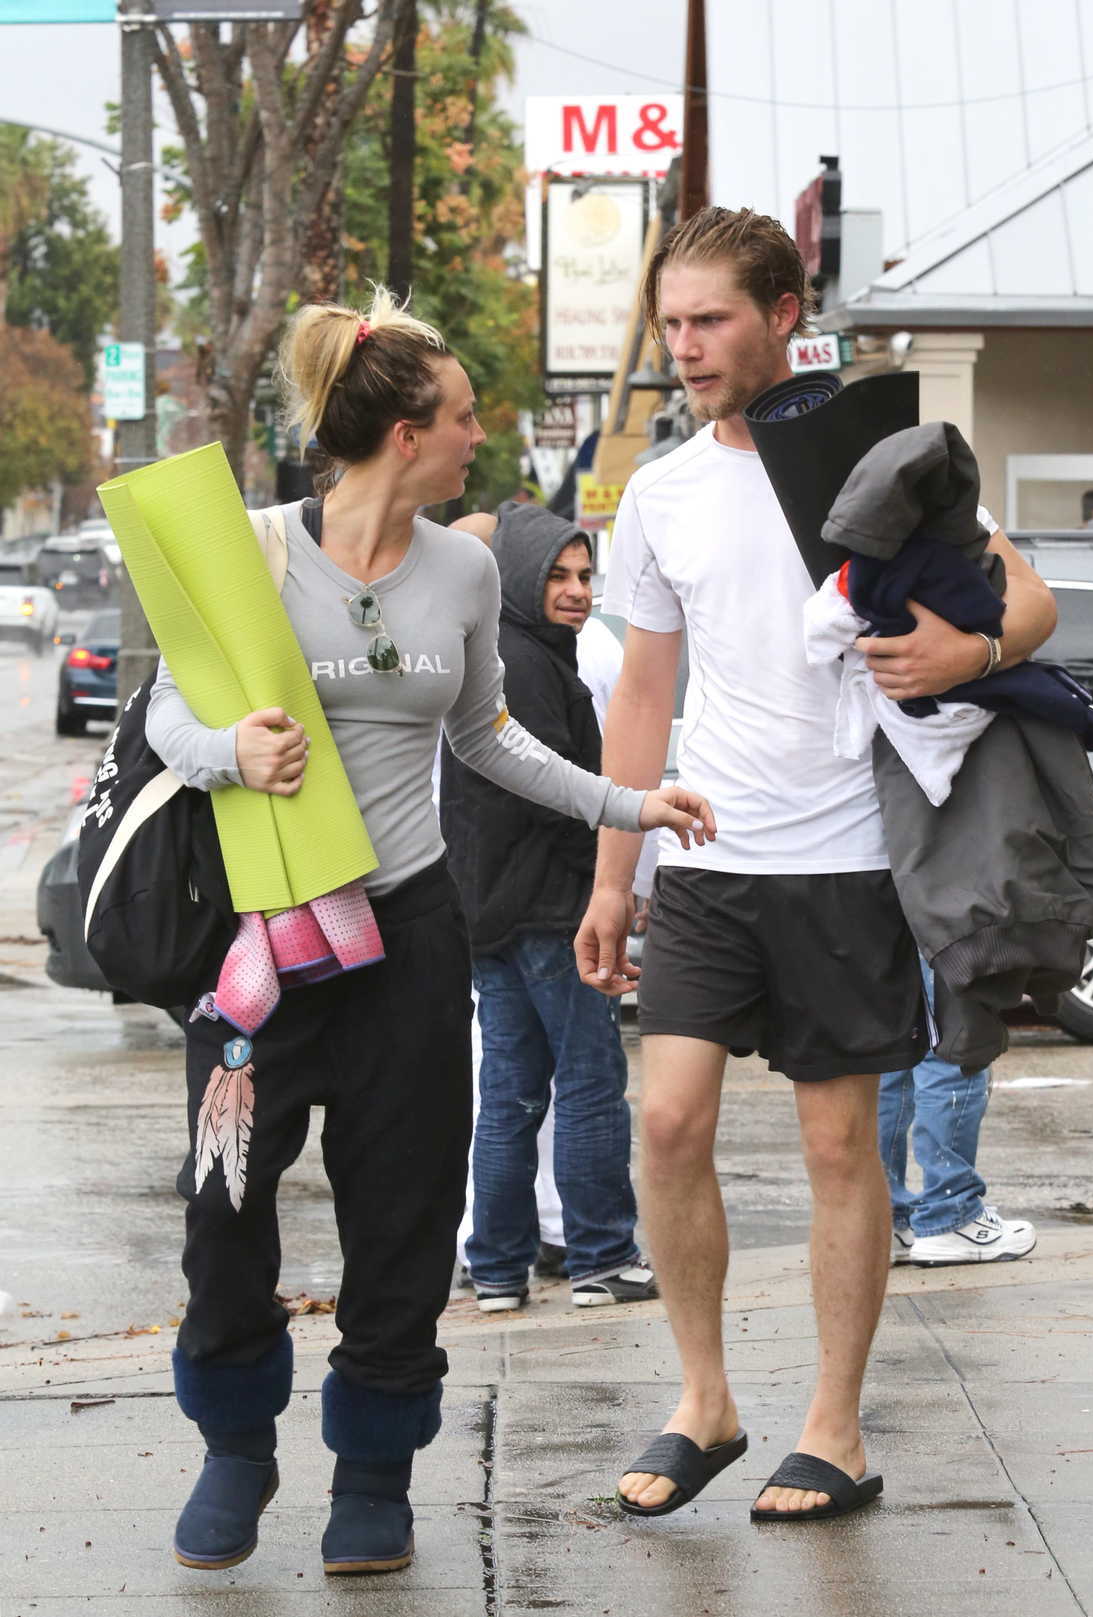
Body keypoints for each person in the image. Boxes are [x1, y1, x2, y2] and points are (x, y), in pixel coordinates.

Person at [142, 287, 715, 1578]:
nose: (477, 436)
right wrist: (231, 750)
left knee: (402, 1216)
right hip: (263, 944)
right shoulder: (249, 547)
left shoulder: (459, 567)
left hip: (407, 932)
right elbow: (166, 721)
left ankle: (374, 1474)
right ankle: (234, 1448)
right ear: (404, 431)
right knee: (224, 1208)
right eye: (461, 417)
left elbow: (489, 737)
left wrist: (633, 802)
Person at [574, 206, 1058, 1522]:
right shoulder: (660, 492)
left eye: (710, 318)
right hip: (708, 853)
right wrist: (614, 872)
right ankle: (703, 1400)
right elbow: (642, 693)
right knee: (665, 1121)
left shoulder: (878, 455)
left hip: (848, 859)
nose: (684, 346)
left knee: (839, 1145)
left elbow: (1027, 598)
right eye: (669, 322)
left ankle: (832, 1430)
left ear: (782, 313)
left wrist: (968, 654)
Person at [441, 502, 657, 1312]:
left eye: (584, 575)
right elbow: (550, 798)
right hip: (547, 914)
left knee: (510, 1091)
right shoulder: (526, 665)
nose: (576, 591)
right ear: (523, 580)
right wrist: (607, 887)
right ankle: (602, 1254)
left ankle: (497, 1267)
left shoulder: (511, 653)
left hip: (495, 912)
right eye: (558, 575)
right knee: (590, 1079)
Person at [881, 962, 1036, 1266]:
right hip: (930, 919)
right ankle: (950, 1215)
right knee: (950, 1039)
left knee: (889, 1055)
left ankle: (882, 1221)